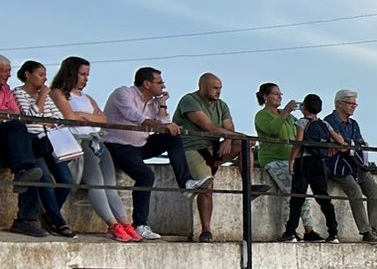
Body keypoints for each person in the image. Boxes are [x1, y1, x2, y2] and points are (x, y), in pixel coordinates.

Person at [43, 58, 145, 242]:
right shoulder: (58, 93)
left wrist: (84, 116)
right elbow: (70, 117)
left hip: (97, 142)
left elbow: (104, 119)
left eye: (87, 75)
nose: (85, 79)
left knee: (110, 185)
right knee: (96, 183)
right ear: (71, 73)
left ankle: (125, 223)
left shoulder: (87, 98)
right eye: (82, 74)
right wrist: (89, 117)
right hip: (80, 142)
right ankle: (112, 224)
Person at [103, 66, 198, 237]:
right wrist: (162, 125)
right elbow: (134, 116)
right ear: (147, 84)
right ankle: (140, 224)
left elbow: (165, 125)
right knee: (145, 175)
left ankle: (186, 183)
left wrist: (162, 105)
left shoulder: (155, 102)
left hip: (140, 145)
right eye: (159, 82)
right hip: (118, 146)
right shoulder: (123, 93)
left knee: (172, 137)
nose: (163, 85)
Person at [0, 55, 66, 238]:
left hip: (7, 140)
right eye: (5, 71)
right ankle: (28, 217)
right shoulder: (15, 92)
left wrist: (7, 114)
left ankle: (26, 219)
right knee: (20, 131)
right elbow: (18, 117)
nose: (8, 75)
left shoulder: (5, 90)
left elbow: (15, 113)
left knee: (34, 158)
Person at [174, 72, 243, 242]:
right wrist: (232, 135)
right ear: (202, 87)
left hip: (213, 147)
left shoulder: (222, 105)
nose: (218, 91)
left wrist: (230, 137)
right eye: (215, 88)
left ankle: (248, 186)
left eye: (220, 88)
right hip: (192, 148)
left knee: (245, 144)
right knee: (206, 184)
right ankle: (206, 230)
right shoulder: (189, 100)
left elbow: (229, 127)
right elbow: (208, 127)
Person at [326, 90, 377, 242]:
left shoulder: (353, 124)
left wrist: (347, 144)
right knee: (355, 190)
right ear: (339, 104)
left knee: (374, 190)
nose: (354, 106)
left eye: (355, 104)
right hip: (338, 165)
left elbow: (355, 144)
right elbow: (340, 145)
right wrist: (347, 145)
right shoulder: (329, 121)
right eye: (350, 103)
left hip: (355, 164)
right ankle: (365, 232)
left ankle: (375, 229)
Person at [280, 95, 342, 243]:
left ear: (305, 107)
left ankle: (290, 232)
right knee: (323, 197)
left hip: (304, 162)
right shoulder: (324, 124)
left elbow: (299, 142)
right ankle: (333, 233)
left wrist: (291, 160)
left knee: (297, 198)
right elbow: (340, 140)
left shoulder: (302, 122)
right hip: (320, 162)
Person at [252, 83, 299, 197]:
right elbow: (273, 129)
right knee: (294, 191)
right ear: (265, 97)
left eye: (280, 94)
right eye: (276, 94)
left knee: (300, 190)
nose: (280, 97)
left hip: (291, 160)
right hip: (273, 160)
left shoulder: (289, 117)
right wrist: (286, 111)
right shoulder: (261, 115)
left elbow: (300, 131)